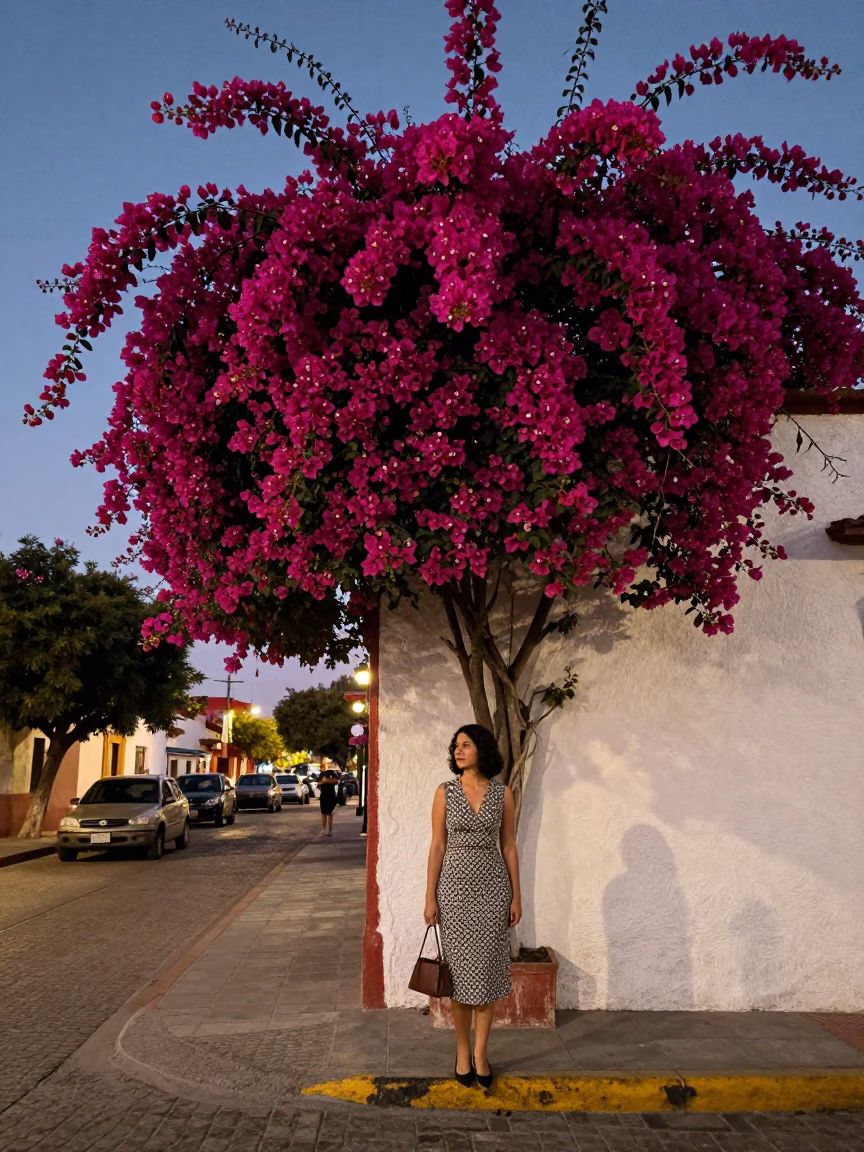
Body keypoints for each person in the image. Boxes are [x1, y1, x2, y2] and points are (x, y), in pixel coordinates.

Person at [424, 724, 522, 1089]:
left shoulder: (502, 793)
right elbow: (437, 846)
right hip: (453, 893)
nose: (458, 750)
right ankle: (462, 1052)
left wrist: (516, 894)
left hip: (493, 890)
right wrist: (430, 896)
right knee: (462, 978)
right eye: (456, 746)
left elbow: (509, 846)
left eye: (465, 744)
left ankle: (481, 1053)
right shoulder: (445, 792)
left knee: (486, 976)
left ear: (482, 749)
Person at [317, 764, 342, 837]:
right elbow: (319, 783)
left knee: (330, 813)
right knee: (323, 813)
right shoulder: (322, 774)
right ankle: (324, 830)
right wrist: (324, 781)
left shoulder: (332, 773)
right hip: (323, 795)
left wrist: (326, 780)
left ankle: (330, 830)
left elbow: (336, 781)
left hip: (331, 795)